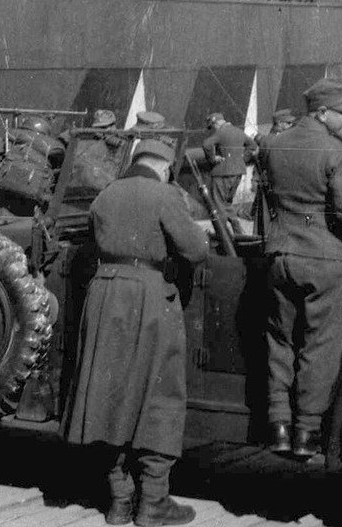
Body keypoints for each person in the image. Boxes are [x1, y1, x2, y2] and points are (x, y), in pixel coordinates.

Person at [64, 138, 209, 527]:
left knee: (108, 396)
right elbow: (195, 250)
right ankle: (154, 503)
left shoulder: (106, 195)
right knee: (159, 394)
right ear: (164, 167)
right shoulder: (164, 194)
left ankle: (120, 500)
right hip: (149, 298)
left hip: (104, 294)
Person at [261, 77, 342, 457]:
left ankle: (278, 423)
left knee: (279, 340)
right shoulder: (337, 151)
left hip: (280, 257)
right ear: (322, 112)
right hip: (325, 260)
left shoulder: (274, 145)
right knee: (319, 346)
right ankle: (306, 433)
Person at [201, 112, 257, 218]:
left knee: (219, 204)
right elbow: (253, 145)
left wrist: (213, 158)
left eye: (212, 127)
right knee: (227, 204)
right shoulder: (239, 131)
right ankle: (236, 230)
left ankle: (225, 231)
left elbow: (206, 144)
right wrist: (242, 158)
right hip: (238, 172)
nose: (213, 130)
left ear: (215, 123)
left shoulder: (221, 132)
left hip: (222, 172)